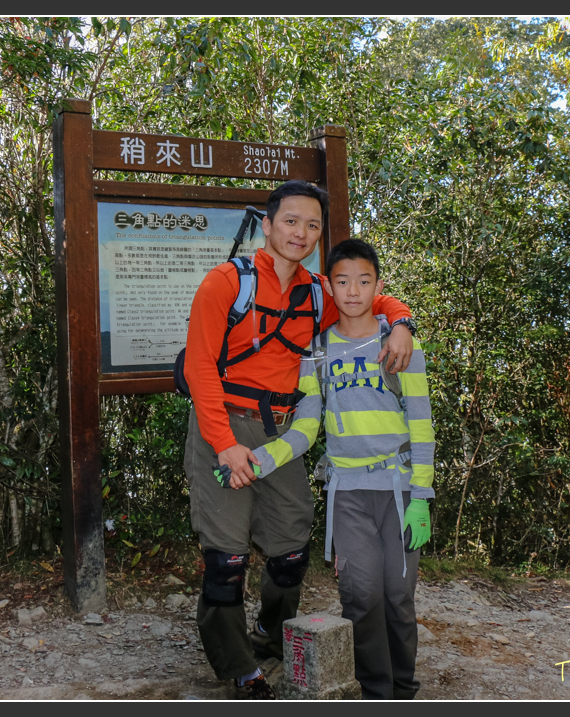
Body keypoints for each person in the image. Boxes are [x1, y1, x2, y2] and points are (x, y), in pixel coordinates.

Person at [181, 180, 417, 699]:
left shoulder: (317, 294)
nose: (301, 233)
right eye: (290, 221)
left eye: (312, 225)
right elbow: (199, 368)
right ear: (267, 225)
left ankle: (270, 633)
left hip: (284, 432)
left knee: (290, 549)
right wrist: (223, 443)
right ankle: (238, 665)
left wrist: (403, 322)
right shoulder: (225, 282)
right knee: (226, 560)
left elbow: (369, 299)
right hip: (223, 424)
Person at [315, 238, 435, 700]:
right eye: (342, 281)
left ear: (379, 286)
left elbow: (421, 425)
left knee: (398, 598)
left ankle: (403, 689)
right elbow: (306, 424)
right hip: (347, 492)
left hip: (399, 488)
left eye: (364, 281)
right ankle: (375, 692)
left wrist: (422, 497)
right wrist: (259, 458)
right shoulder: (318, 350)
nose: (353, 291)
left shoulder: (401, 346)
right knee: (361, 598)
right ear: (329, 286)